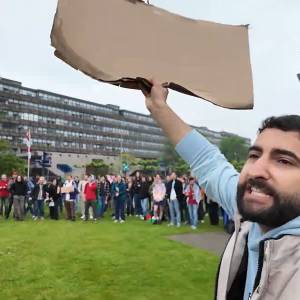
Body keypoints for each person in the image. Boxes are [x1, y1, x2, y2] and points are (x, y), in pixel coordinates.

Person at [143, 79, 300, 299]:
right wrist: (159, 107)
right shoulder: (248, 213)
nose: (257, 170)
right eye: (254, 155)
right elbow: (209, 162)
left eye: (283, 161)